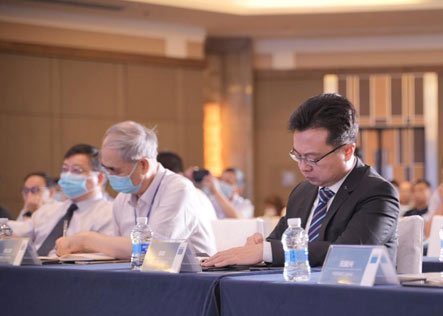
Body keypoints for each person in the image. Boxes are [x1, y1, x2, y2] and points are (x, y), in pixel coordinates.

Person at [203, 92, 399, 269]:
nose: (304, 167)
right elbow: (277, 244)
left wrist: (266, 251)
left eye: (313, 158)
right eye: (298, 156)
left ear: (347, 151)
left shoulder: (377, 193)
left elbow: (348, 253)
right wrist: (258, 247)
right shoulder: (303, 192)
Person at [55, 121, 216, 260]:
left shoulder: (179, 189)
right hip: (140, 276)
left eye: (115, 170)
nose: (109, 176)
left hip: (192, 279)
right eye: (106, 168)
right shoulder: (122, 199)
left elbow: (157, 252)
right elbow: (118, 253)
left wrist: (86, 239)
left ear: (143, 165)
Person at [8, 144, 113, 255]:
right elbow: (18, 232)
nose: (67, 175)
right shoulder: (48, 211)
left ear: (99, 178)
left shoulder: (109, 214)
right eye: (64, 169)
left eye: (77, 170)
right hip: (34, 265)